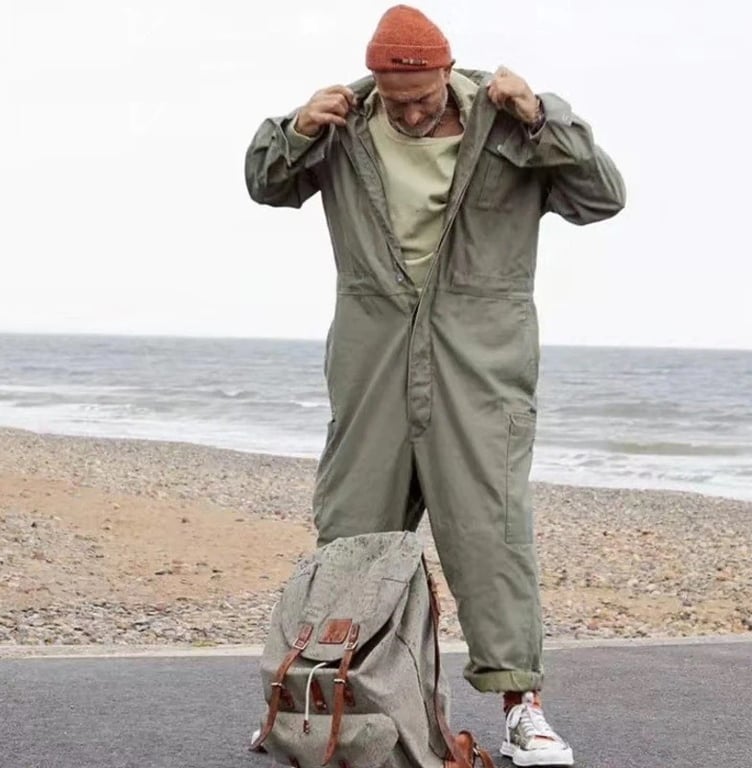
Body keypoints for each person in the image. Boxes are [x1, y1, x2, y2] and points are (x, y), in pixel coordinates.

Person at [246, 5, 625, 766]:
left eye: (422, 99)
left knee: (490, 535)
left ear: (447, 74)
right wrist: (295, 128)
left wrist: (542, 115)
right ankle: (328, 701)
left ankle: (522, 711)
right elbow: (265, 183)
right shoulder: (343, 124)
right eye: (397, 101)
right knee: (351, 535)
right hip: (373, 361)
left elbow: (601, 196)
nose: (411, 113)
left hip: (479, 365)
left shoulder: (510, 123)